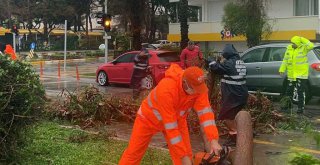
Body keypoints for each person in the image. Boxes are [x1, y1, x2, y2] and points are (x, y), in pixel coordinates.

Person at [119, 64, 222, 165]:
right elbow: (171, 129)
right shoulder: (167, 89)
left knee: (186, 155)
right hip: (147, 119)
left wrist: (213, 139)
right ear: (185, 83)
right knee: (134, 152)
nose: (197, 92)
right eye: (194, 89)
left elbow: (206, 115)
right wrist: (183, 156)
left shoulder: (199, 88)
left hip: (177, 121)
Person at [209, 44, 248, 147]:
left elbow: (216, 68)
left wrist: (211, 61)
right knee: (234, 116)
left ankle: (235, 137)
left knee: (226, 116)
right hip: (241, 94)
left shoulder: (230, 63)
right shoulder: (240, 62)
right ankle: (240, 134)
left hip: (233, 95)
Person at [279, 36, 314, 114]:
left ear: (298, 43)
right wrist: (282, 69)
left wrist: (302, 39)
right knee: (289, 91)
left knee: (300, 91)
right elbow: (285, 60)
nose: (292, 44)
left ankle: (300, 108)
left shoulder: (304, 48)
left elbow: (311, 45)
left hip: (301, 75)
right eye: (292, 42)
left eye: (294, 43)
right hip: (291, 75)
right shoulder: (289, 49)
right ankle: (287, 106)